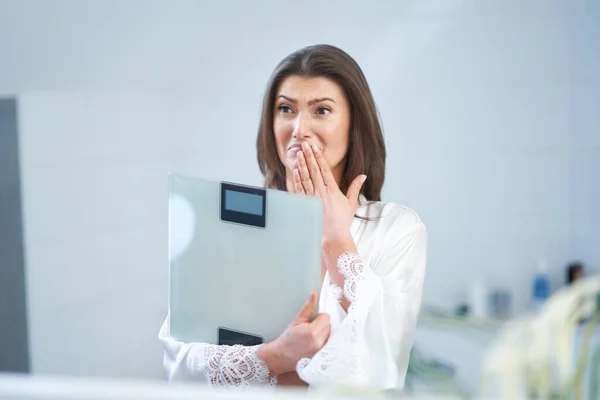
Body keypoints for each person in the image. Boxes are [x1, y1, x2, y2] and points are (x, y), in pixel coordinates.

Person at [158, 44, 427, 391]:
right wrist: (277, 356)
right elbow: (178, 362)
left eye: (322, 110)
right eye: (286, 109)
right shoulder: (231, 223)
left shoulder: (397, 229)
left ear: (354, 125)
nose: (299, 128)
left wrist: (335, 240)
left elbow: (386, 365)